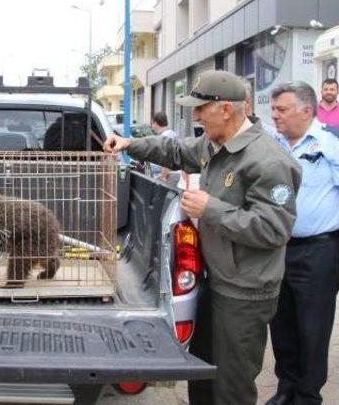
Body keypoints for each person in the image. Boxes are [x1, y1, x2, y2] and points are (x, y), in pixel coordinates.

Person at [103, 70, 302, 405]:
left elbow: (274, 229)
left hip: (244, 292)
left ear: (225, 109)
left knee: (231, 384)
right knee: (203, 377)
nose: (194, 115)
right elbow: (176, 150)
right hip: (214, 280)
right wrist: (130, 145)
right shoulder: (216, 144)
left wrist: (211, 209)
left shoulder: (268, 161)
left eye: (200, 108)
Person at [267, 81, 339, 405]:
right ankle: (286, 389)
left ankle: (308, 396)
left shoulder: (330, 144)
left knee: (313, 329)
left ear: (307, 110)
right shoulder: (273, 143)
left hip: (318, 251)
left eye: (282, 109)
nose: (275, 115)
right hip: (277, 249)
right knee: (281, 327)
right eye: (274, 109)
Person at [148, 112, 178, 181]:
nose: (151, 126)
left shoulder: (165, 137)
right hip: (165, 175)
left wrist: (162, 177)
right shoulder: (171, 134)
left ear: (155, 123)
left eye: (151, 123)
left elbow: (168, 160)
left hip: (164, 177)